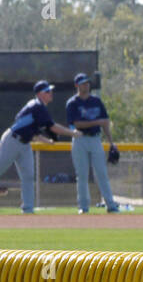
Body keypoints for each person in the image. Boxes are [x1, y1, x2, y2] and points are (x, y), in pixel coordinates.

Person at [0, 81, 82, 213]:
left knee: (28, 176)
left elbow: (30, 129)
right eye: (47, 91)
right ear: (40, 94)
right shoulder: (37, 106)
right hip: (12, 140)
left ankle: (28, 209)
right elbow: (53, 127)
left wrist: (46, 141)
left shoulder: (35, 107)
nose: (51, 93)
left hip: (24, 143)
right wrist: (73, 133)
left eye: (50, 90)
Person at [66, 73, 123, 213]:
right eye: (83, 83)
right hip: (80, 140)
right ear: (77, 85)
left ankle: (111, 205)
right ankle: (83, 207)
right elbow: (76, 123)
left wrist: (111, 142)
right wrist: (97, 122)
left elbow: (105, 123)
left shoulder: (96, 101)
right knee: (82, 175)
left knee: (102, 173)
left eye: (87, 83)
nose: (86, 85)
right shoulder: (73, 103)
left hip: (95, 139)